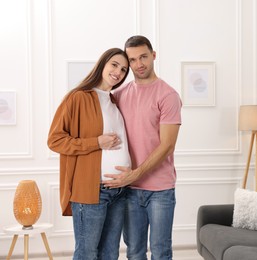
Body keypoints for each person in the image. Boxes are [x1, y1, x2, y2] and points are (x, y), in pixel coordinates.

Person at [102, 35, 182, 260]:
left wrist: (135, 174)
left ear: (153, 55)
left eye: (144, 57)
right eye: (133, 59)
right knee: (134, 251)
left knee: (160, 251)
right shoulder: (119, 95)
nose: (139, 64)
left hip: (160, 190)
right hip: (128, 190)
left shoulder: (168, 96)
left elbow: (167, 145)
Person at [47, 48, 131, 260]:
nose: (118, 72)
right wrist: (96, 142)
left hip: (119, 192)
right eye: (114, 64)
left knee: (110, 253)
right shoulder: (78, 97)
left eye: (123, 69)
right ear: (102, 64)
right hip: (92, 191)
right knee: (87, 253)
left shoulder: (114, 101)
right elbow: (54, 140)